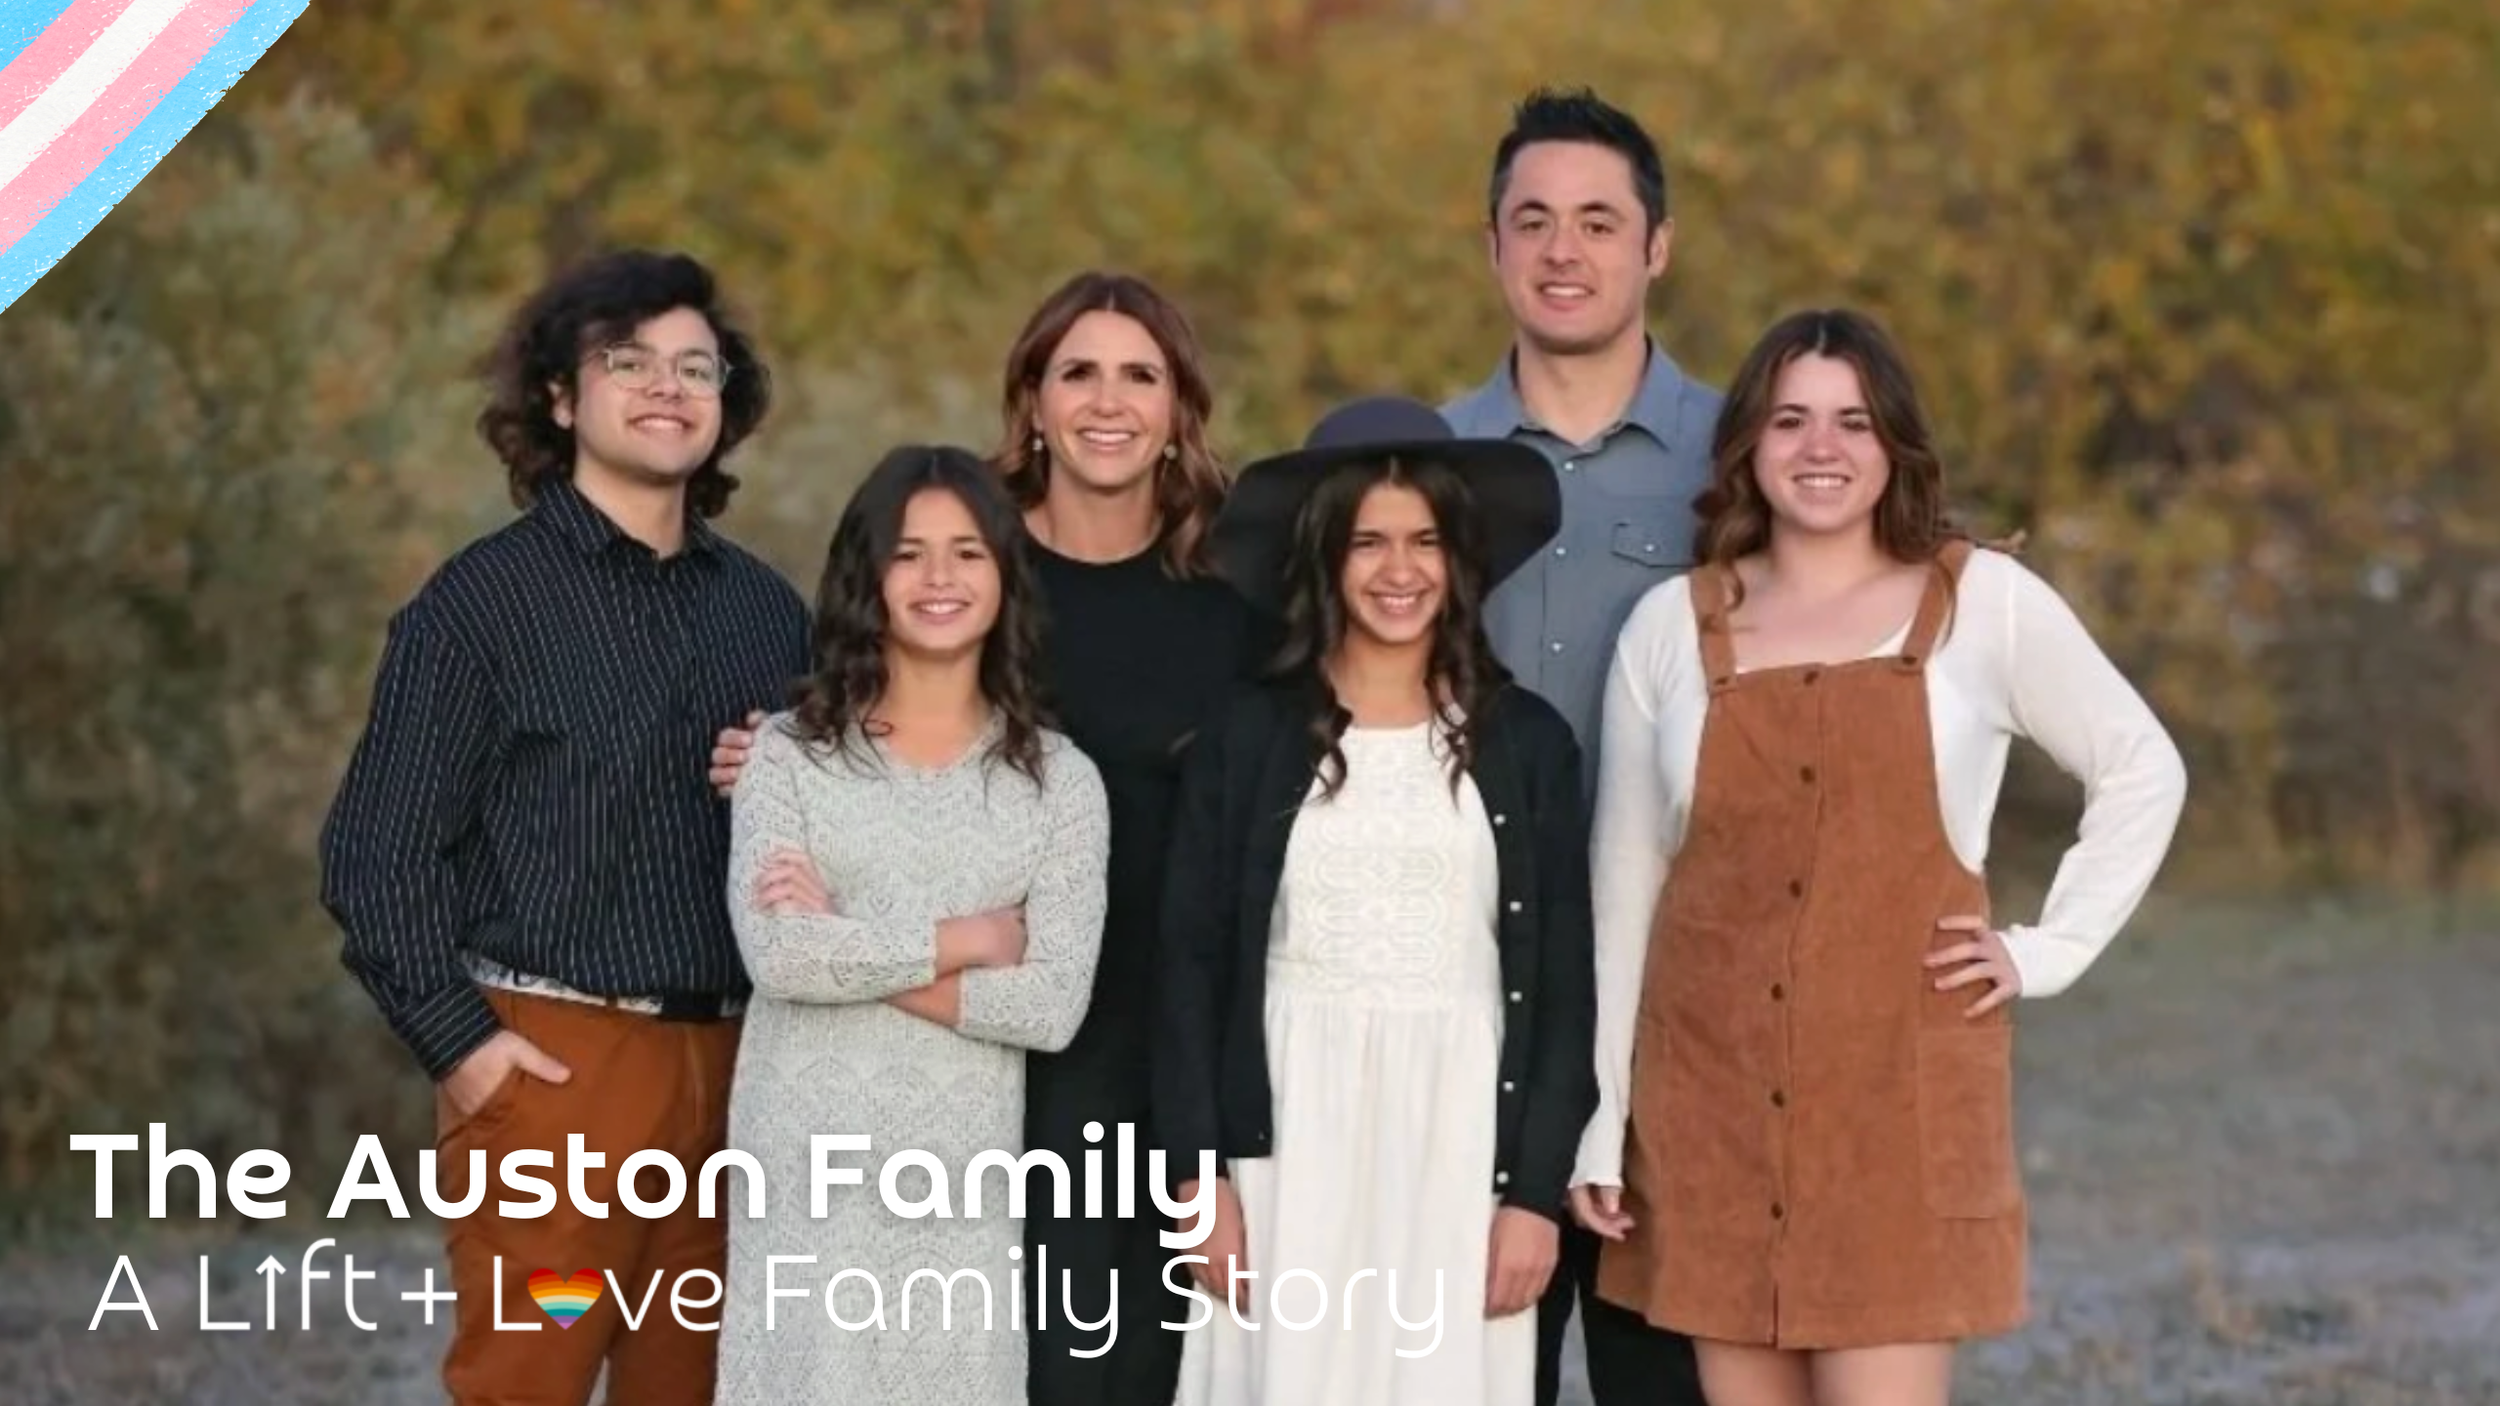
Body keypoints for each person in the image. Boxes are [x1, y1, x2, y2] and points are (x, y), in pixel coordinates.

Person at [1570, 309, 2189, 1406]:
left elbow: (2141, 766)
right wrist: (1598, 1123)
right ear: (1748, 447)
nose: (1821, 448)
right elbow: (1624, 893)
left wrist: (2044, 948)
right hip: (1707, 1104)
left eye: (1853, 422)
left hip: (1891, 1110)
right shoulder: (1670, 624)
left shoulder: (1980, 603)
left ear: (1894, 444)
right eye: (1791, 420)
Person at [709, 269, 1268, 1406]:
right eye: (1077, 371)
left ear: (1179, 411)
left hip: (1134, 1060)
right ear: (1031, 400)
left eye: (1139, 375)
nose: (1107, 401)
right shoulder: (975, 570)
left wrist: (1214, 1132)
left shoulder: (1230, 617)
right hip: (958, 1073)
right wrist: (770, 750)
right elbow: (868, 715)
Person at [316, 249, 812, 1405]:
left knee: (695, 1386)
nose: (669, 385)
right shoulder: (479, 605)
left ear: (726, 403)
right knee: (526, 1382)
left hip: (744, 1064)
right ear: (559, 396)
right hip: (556, 1060)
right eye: (627, 361)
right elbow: (373, 854)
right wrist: (467, 1047)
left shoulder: (766, 609)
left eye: (699, 365)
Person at [1153, 395, 1596, 1406]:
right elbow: (1188, 963)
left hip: (1460, 1144)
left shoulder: (1525, 743)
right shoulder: (1247, 735)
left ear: (1460, 559)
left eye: (1425, 541)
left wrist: (1533, 1196)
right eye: (1368, 543)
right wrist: (1198, 1180)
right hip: (1285, 1141)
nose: (1400, 571)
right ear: (1323, 559)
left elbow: (1564, 986)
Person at [711, 444, 1111, 1406]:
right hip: (806, 1165)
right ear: (868, 575)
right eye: (910, 552)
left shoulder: (1058, 782)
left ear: (1005, 577)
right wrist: (967, 939)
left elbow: (1051, 1006)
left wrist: (846, 937)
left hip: (953, 1178)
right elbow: (776, 954)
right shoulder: (786, 755)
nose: (940, 578)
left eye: (968, 553)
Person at [1437, 86, 1722, 1406]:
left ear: (1656, 246)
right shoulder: (1423, 464)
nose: (1565, 250)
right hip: (1463, 993)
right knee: (1471, 1368)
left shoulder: (1749, 458)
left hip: (1679, 1006)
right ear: (1493, 246)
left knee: (1664, 1375)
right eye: (1534, 221)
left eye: (1599, 222)